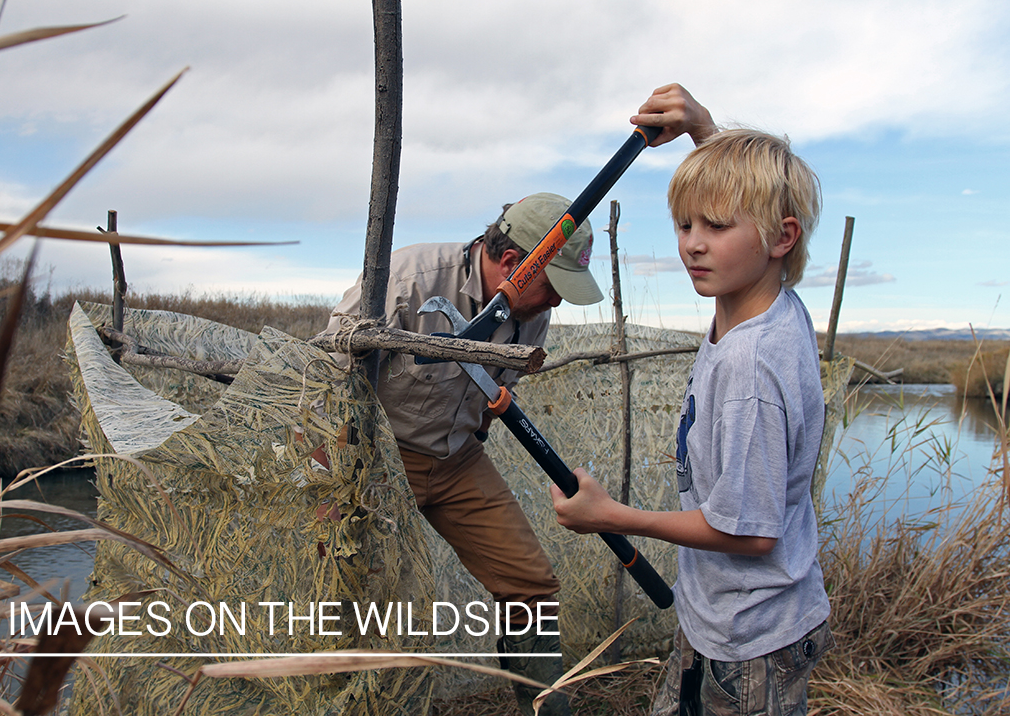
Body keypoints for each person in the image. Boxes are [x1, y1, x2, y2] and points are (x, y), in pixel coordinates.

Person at [325, 84, 714, 716]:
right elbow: (328, 374)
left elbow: (493, 392)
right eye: (552, 285)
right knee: (366, 601)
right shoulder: (408, 281)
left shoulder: (531, 312)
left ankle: (545, 710)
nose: (557, 301)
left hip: (455, 460)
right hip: (374, 465)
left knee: (531, 586)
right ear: (511, 260)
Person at [549, 127, 834, 715]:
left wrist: (611, 516)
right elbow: (752, 198)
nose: (693, 246)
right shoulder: (766, 307)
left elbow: (752, 533)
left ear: (782, 238)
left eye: (717, 227)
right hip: (719, 614)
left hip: (752, 640)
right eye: (684, 225)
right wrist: (704, 129)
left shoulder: (752, 368)